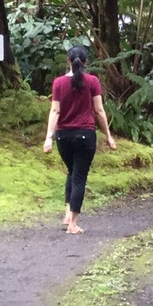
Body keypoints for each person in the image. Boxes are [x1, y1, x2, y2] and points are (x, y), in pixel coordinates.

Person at [43, 45, 116, 234]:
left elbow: (55, 111)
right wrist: (108, 136)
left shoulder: (58, 83)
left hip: (63, 137)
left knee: (71, 171)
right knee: (79, 177)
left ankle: (68, 213)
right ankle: (73, 224)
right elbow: (99, 111)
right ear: (86, 62)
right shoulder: (92, 81)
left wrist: (49, 138)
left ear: (68, 61)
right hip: (85, 136)